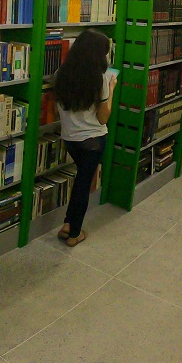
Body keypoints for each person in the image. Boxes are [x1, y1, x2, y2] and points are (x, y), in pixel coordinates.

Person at [53, 29, 116, 247]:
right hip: (93, 141)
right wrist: (112, 89)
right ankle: (74, 234)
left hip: (70, 139)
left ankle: (69, 224)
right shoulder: (99, 80)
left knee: (80, 180)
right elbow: (103, 118)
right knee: (83, 185)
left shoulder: (61, 74)